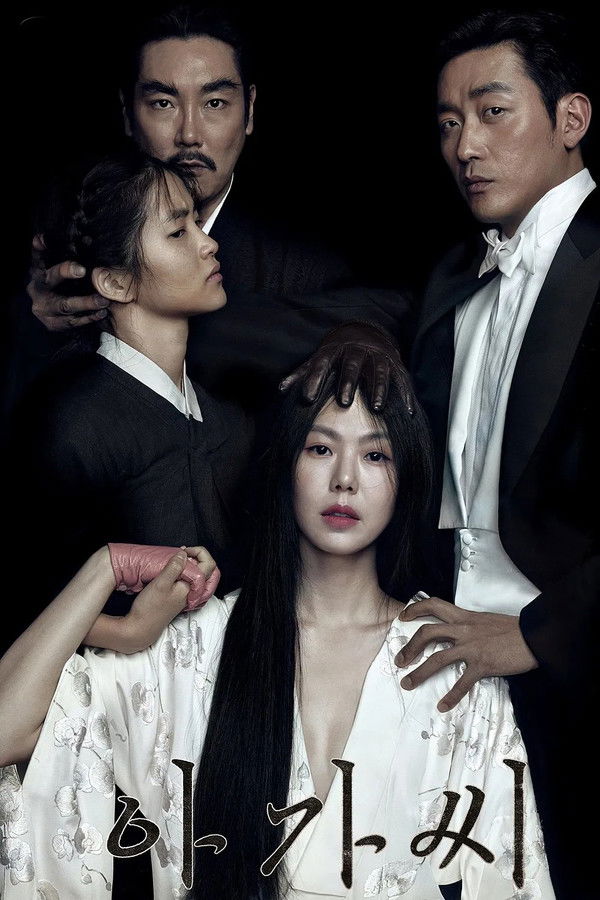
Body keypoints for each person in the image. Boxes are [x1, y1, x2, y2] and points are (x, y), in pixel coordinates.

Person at [0, 369, 555, 899]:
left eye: (375, 454)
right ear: (284, 464)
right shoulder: (194, 648)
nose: (345, 478)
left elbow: (513, 883)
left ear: (404, 478)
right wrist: (105, 571)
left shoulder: (448, 661)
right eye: (320, 448)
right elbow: (7, 732)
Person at [395, 10, 598, 897]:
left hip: (572, 675)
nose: (464, 146)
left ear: (570, 118)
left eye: (492, 112)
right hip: (452, 677)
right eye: (448, 123)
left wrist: (538, 636)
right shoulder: (457, 273)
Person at [7, 4, 410, 423]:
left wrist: (362, 333)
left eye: (214, 102)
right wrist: (34, 325)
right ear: (128, 114)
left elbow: (388, 314)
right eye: (163, 103)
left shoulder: (307, 266)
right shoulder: (77, 241)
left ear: (249, 111)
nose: (189, 134)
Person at [3, 147, 252, 649]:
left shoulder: (230, 419)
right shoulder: (72, 423)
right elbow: (19, 597)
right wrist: (124, 631)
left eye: (198, 224)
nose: (209, 244)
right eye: (178, 232)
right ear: (116, 282)